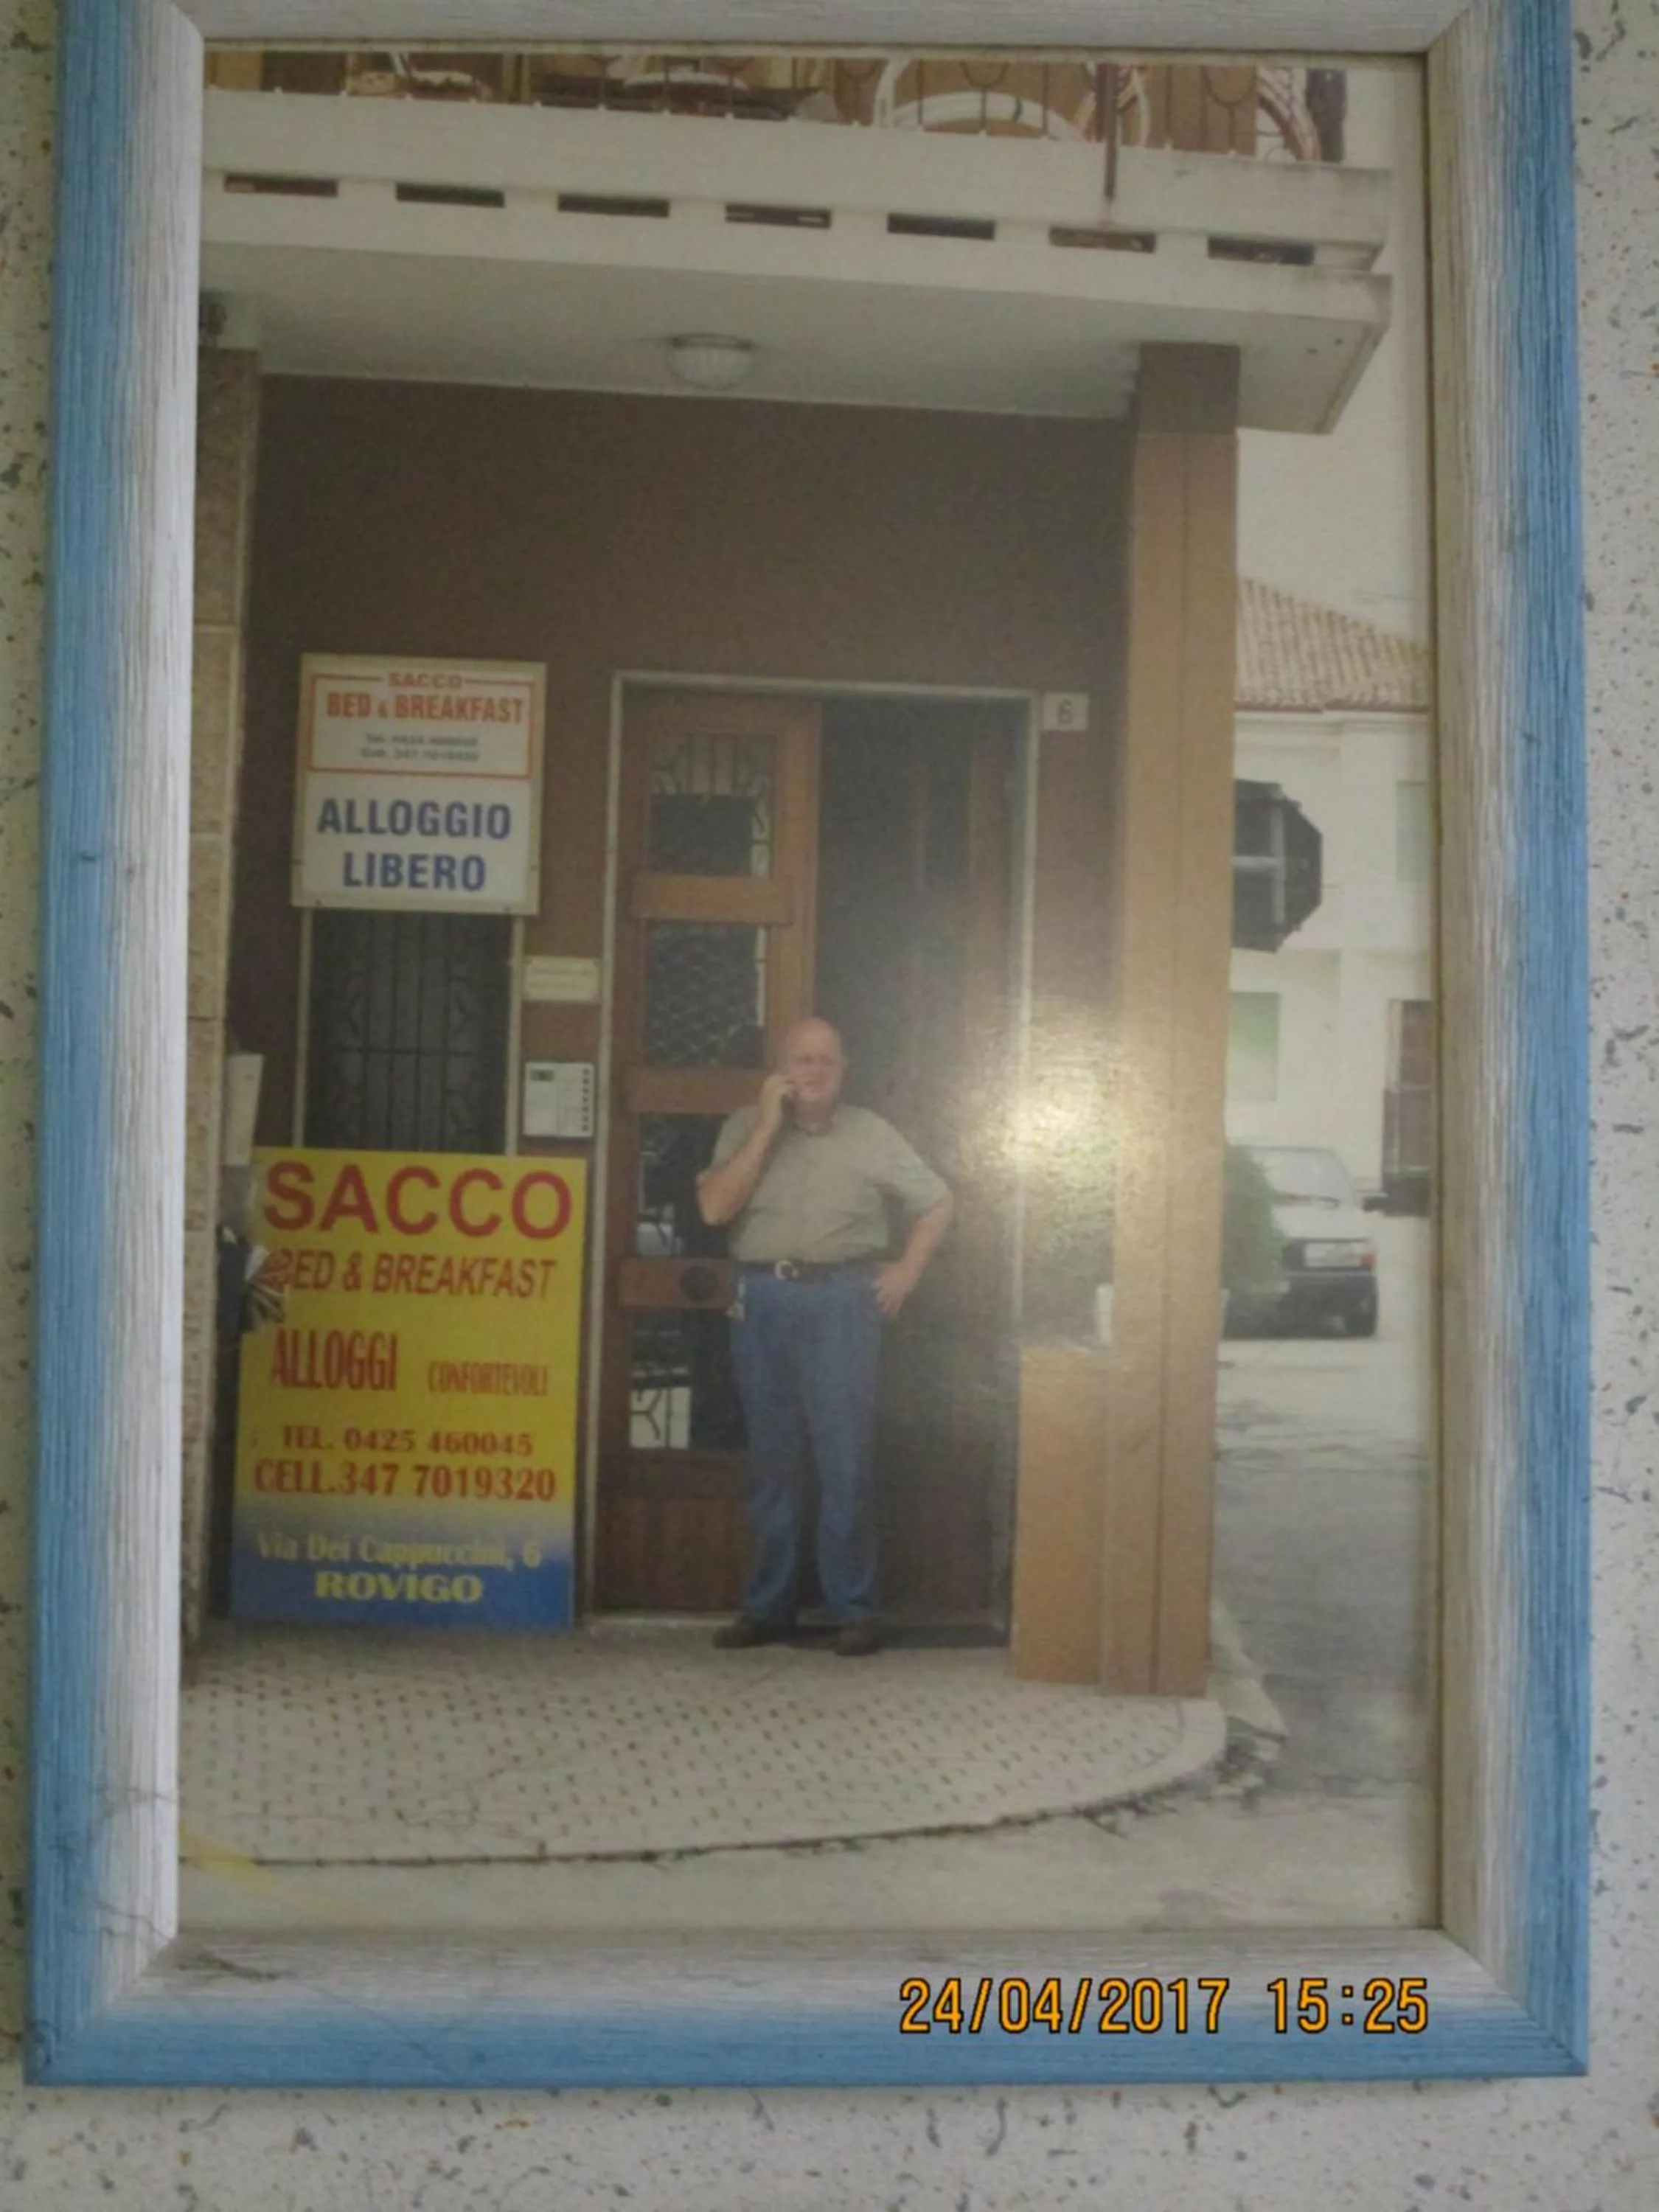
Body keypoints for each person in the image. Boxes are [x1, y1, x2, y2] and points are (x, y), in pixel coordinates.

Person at [696, 1018, 955, 1658]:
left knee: (846, 1457)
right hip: (763, 1300)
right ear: (778, 1069)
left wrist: (906, 1272)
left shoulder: (871, 1132)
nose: (812, 1073)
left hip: (844, 1300)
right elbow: (713, 1209)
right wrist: (765, 1126)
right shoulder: (742, 1128)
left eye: (825, 1063)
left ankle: (854, 1608)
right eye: (800, 1061)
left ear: (844, 1070)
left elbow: (938, 1202)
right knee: (773, 1459)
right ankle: (767, 1607)